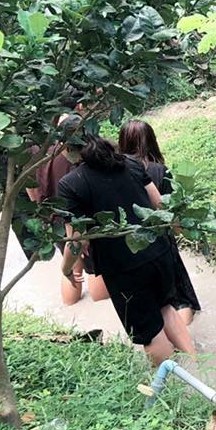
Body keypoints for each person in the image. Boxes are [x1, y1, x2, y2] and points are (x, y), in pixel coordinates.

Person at [58, 129, 195, 366]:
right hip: (159, 252)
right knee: (166, 309)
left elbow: (78, 241)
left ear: (67, 149)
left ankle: (178, 392)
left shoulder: (71, 184)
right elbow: (160, 204)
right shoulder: (128, 162)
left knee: (150, 333)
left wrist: (67, 269)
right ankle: (199, 371)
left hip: (125, 267)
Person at [119, 119, 201, 326]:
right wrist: (181, 230)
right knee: (179, 301)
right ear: (152, 141)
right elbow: (170, 213)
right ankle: (185, 341)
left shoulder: (114, 172)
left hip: (130, 246)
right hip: (161, 245)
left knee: (152, 302)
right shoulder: (159, 170)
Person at [32, 114, 108, 306]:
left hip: (54, 219)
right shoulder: (73, 154)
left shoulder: (38, 153)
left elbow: (31, 189)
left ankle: (73, 308)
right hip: (80, 221)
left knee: (72, 267)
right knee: (95, 270)